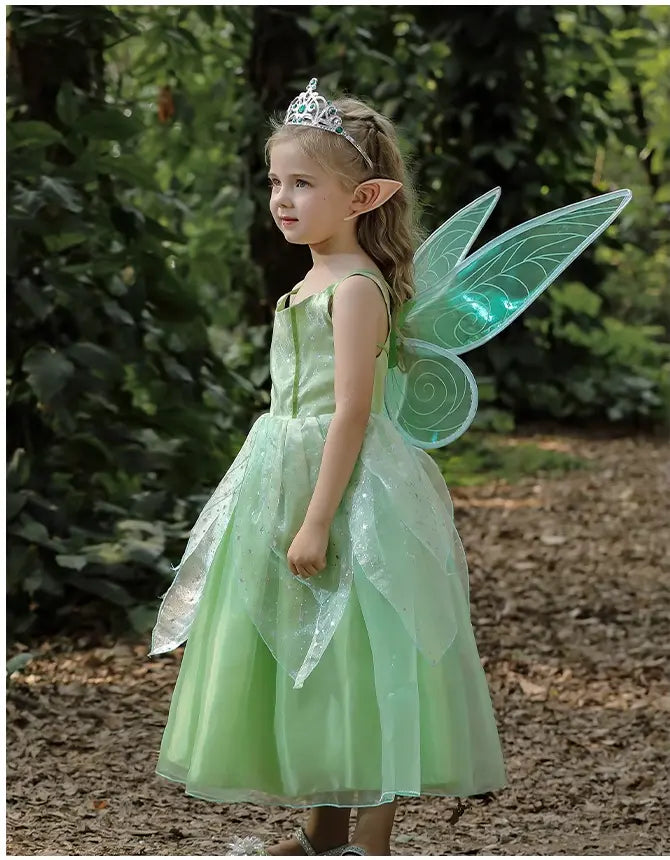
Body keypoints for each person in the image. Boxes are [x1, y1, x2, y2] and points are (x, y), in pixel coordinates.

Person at [149, 77, 506, 857]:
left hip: (349, 489)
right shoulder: (308, 282)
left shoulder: (353, 289)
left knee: (365, 640)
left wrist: (316, 518)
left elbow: (351, 411)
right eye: (276, 181)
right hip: (283, 470)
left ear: (364, 197)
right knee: (307, 646)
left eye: (303, 183)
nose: (283, 198)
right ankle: (322, 831)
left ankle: (368, 841)